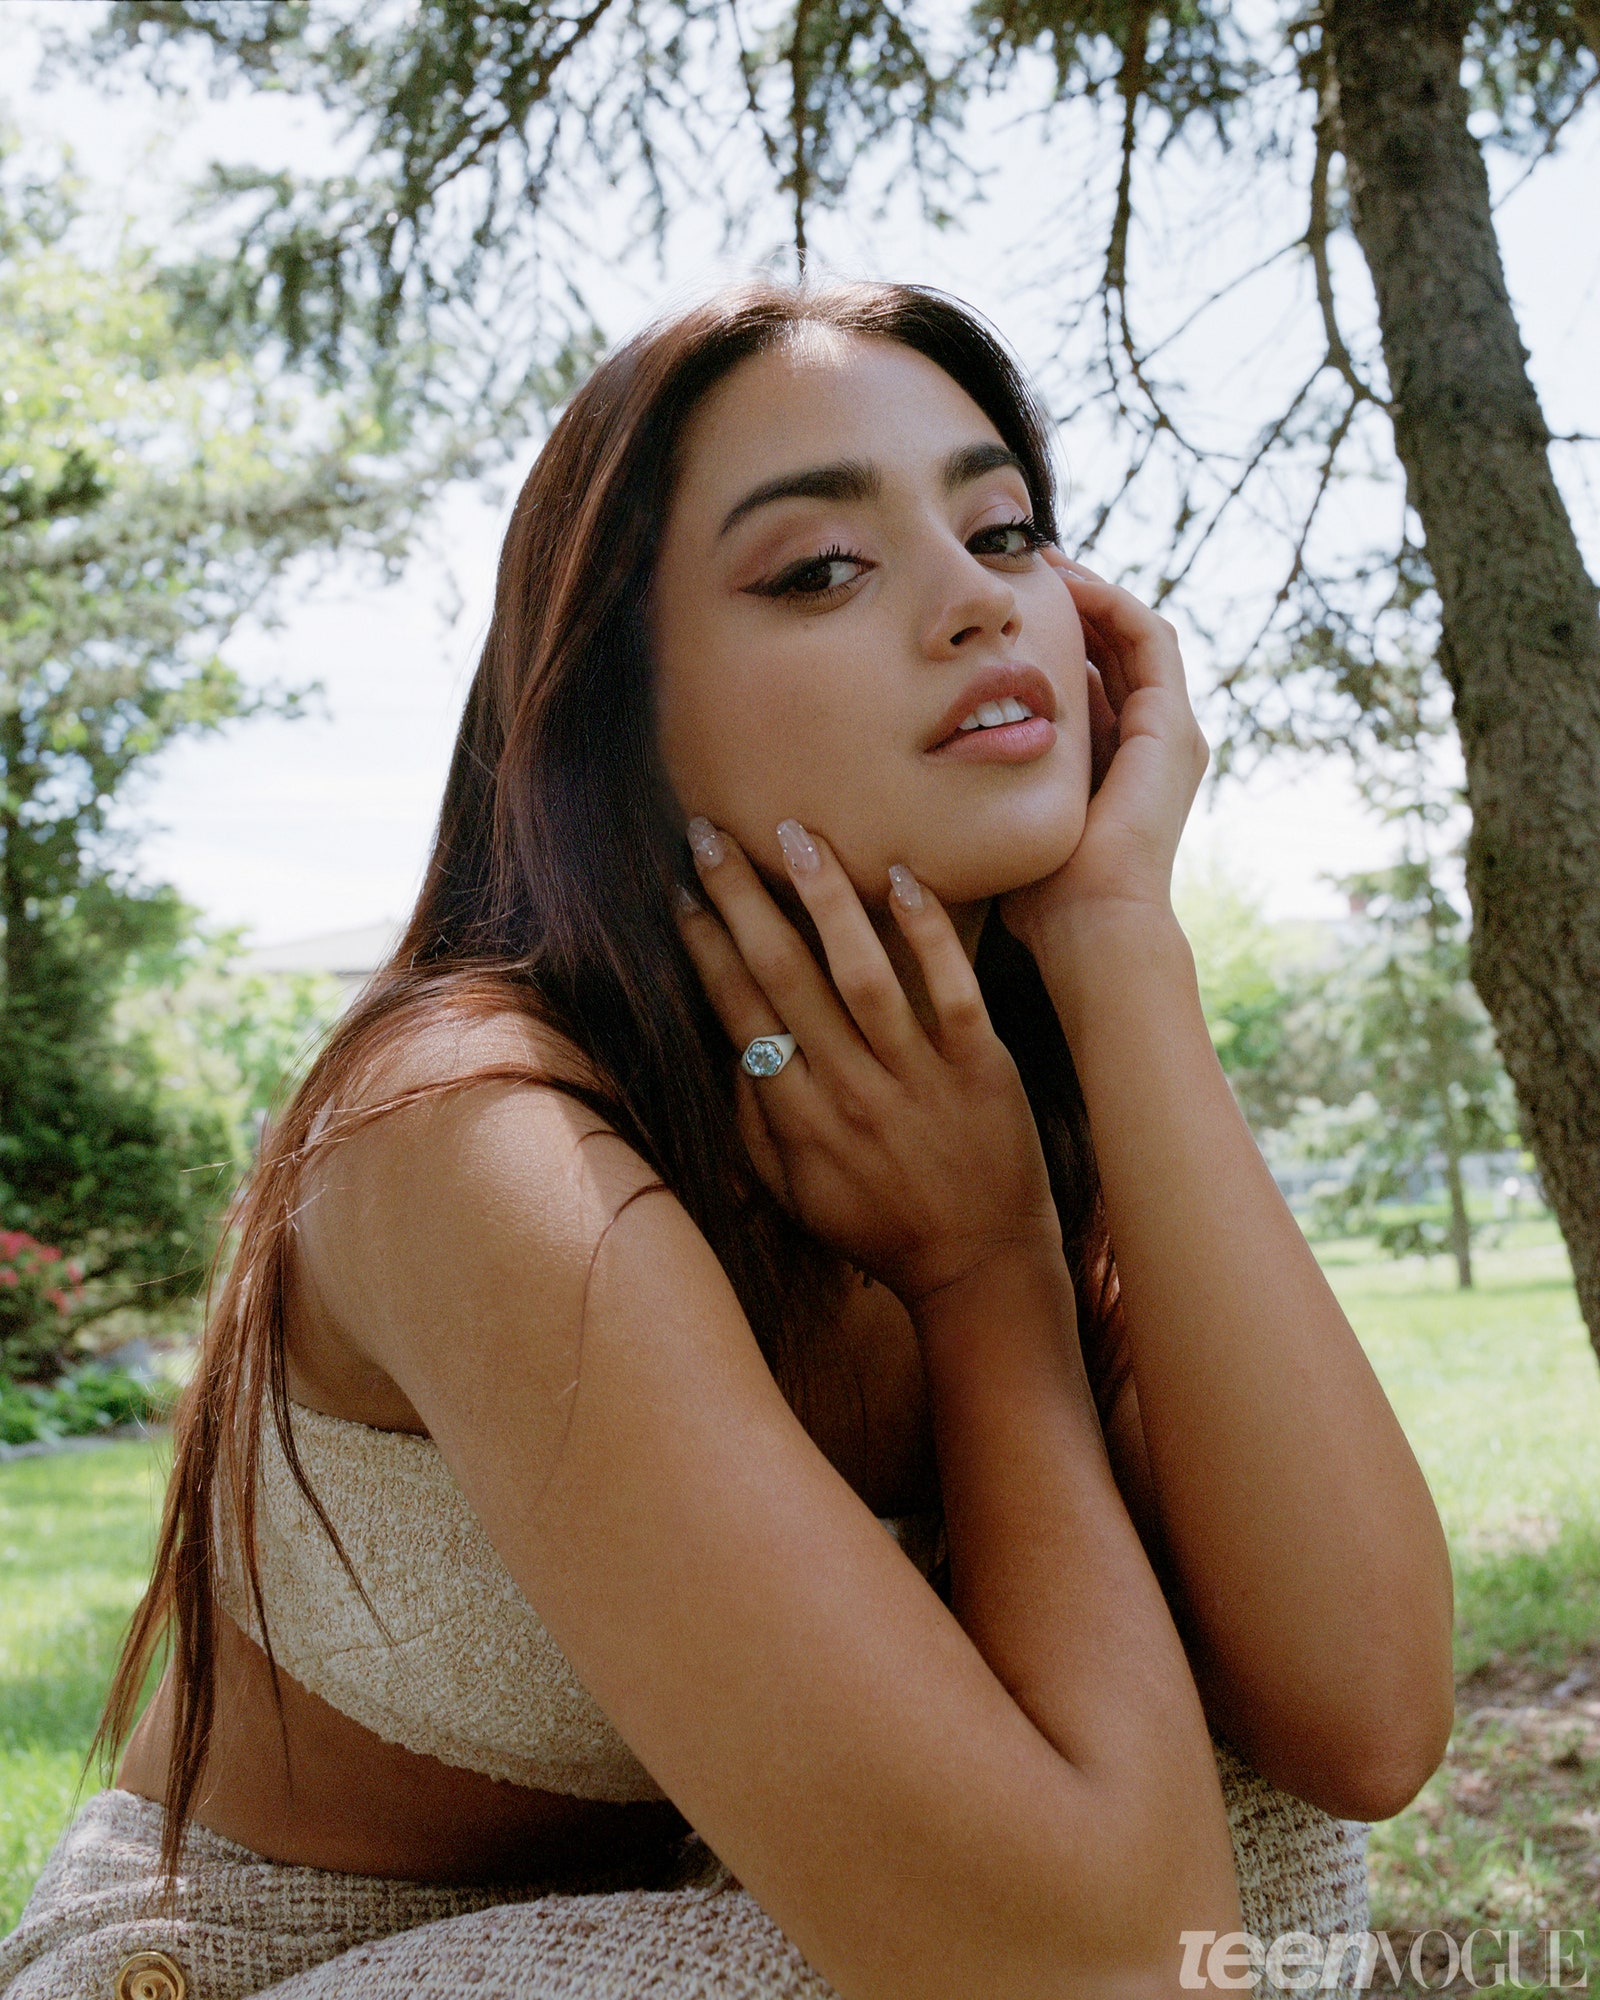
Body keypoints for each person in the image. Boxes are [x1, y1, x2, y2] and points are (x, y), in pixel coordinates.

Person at [0, 279, 1454, 2000]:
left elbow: (1360, 1721)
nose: (980, 602)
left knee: (1257, 1847)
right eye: (818, 568)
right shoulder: (470, 1134)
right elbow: (1104, 1965)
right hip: (288, 1967)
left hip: (735, 1916)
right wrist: (988, 1285)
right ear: (612, 720)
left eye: (1006, 529)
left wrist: (1119, 941)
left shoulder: (1011, 1093)